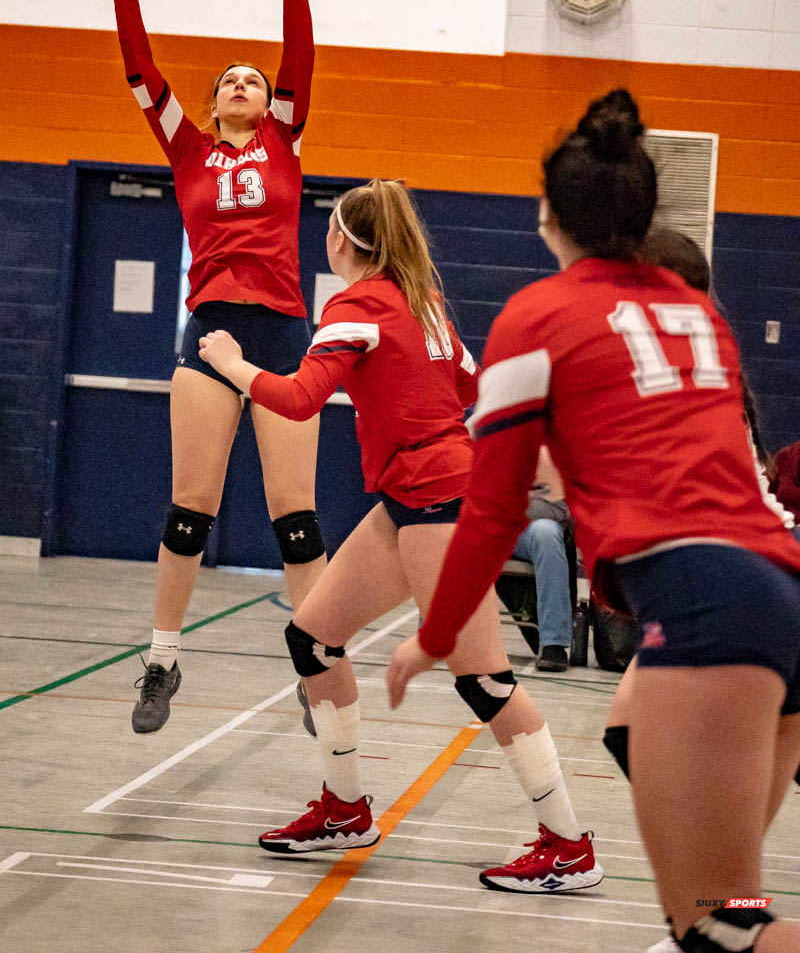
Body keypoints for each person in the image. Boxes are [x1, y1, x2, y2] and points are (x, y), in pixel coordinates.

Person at [387, 92, 800, 952]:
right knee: (737, 907)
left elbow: (493, 508)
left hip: (706, 601)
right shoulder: (700, 314)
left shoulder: (535, 318)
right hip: (780, 588)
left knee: (719, 928)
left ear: (546, 214)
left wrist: (432, 634)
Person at [199, 178, 603, 893]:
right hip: (413, 497)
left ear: (338, 241)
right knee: (311, 639)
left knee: (483, 679)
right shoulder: (424, 307)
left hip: (439, 500)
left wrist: (231, 363)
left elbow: (298, 399)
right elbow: (475, 389)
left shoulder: (355, 307)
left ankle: (569, 846)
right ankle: (346, 808)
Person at [112, 0, 327, 734]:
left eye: (252, 78)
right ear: (209, 104)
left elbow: (299, 54)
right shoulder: (188, 150)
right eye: (228, 80)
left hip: (278, 334)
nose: (243, 83)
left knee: (294, 512)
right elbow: (140, 70)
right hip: (210, 334)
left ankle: (313, 669)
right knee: (189, 506)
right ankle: (162, 659)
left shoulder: (286, 137)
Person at [601, 225, 800, 953]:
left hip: (743, 593)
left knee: (718, 921)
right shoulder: (704, 362)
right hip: (768, 579)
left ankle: (712, 909)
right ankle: (717, 900)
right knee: (725, 884)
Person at [511, 446, 573, 671]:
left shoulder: (557, 440)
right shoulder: (482, 427)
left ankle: (553, 644)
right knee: (443, 529)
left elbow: (558, 510)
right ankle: (433, 633)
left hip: (529, 530)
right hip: (487, 524)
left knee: (547, 533)